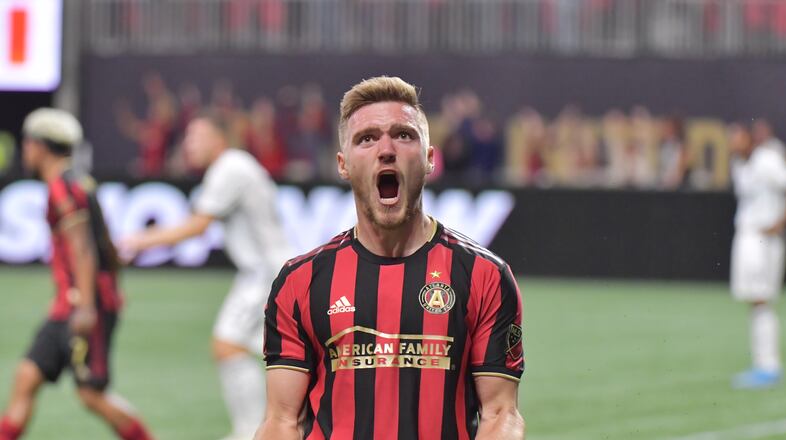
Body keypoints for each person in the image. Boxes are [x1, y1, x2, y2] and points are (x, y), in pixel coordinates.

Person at [256, 76, 525, 439]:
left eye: (403, 135)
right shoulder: (299, 281)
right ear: (343, 164)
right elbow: (282, 420)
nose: (386, 149)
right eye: (366, 138)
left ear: (430, 159)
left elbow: (500, 412)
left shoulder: (484, 275)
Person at [120, 113, 292, 440]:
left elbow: (196, 226)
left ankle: (251, 431)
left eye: (196, 136)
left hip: (267, 275)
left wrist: (138, 241)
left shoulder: (230, 167)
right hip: (268, 271)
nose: (189, 144)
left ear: (219, 138)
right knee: (252, 348)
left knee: (228, 343)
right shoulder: (233, 166)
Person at [0, 108, 154, 440]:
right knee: (27, 377)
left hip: (83, 308)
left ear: (41, 146)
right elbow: (107, 247)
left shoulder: (63, 189)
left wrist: (86, 306)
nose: (25, 150)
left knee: (92, 395)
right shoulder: (80, 183)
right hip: (70, 305)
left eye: (27, 143)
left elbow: (83, 250)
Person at [729, 121, 786, 389]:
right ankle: (762, 364)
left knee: (762, 298)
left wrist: (783, 219)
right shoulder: (739, 165)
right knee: (754, 299)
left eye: (737, 136)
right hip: (748, 235)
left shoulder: (767, 159)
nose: (733, 142)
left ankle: (769, 365)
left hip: (765, 236)